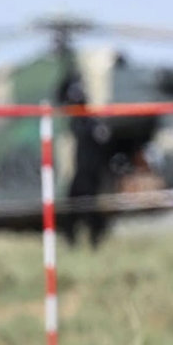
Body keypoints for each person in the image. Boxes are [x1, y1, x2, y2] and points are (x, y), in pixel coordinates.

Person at [55, 58, 114, 247]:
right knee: (74, 210)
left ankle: (93, 240)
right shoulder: (77, 123)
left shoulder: (89, 124)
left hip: (90, 175)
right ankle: (77, 239)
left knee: (88, 209)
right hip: (82, 174)